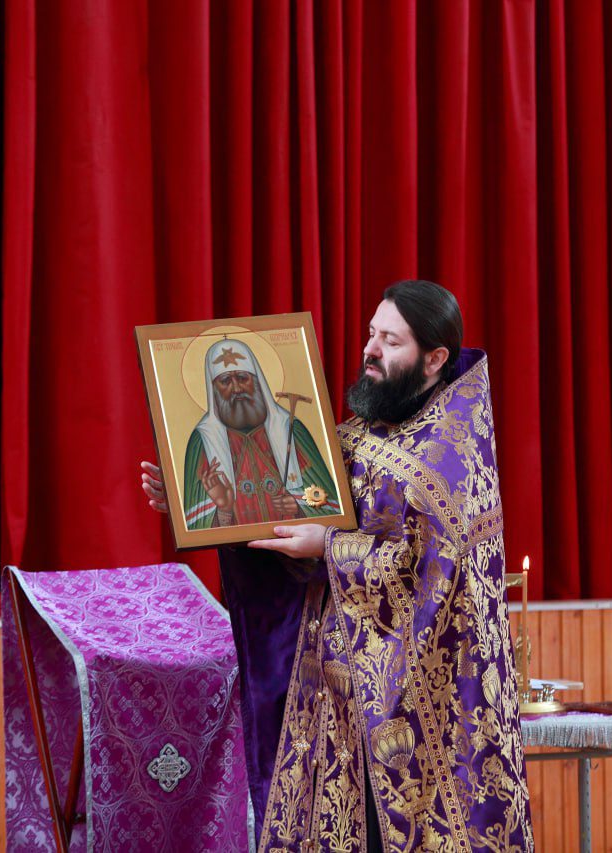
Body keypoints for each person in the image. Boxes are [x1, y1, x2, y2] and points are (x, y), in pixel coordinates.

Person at [141, 280, 532, 851]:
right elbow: (285, 515)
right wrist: (192, 504)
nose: (370, 350)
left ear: (434, 359)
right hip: (333, 707)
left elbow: (425, 568)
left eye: (390, 341)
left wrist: (329, 546)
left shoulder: (449, 453)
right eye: (371, 333)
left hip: (422, 712)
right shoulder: (351, 438)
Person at [182, 337, 340, 528]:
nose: (236, 388)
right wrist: (224, 509)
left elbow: (332, 506)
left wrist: (299, 507)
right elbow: (195, 528)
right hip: (239, 546)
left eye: (243, 378)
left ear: (258, 382)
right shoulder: (203, 441)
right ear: (214, 390)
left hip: (297, 544)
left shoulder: (290, 429)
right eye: (225, 381)